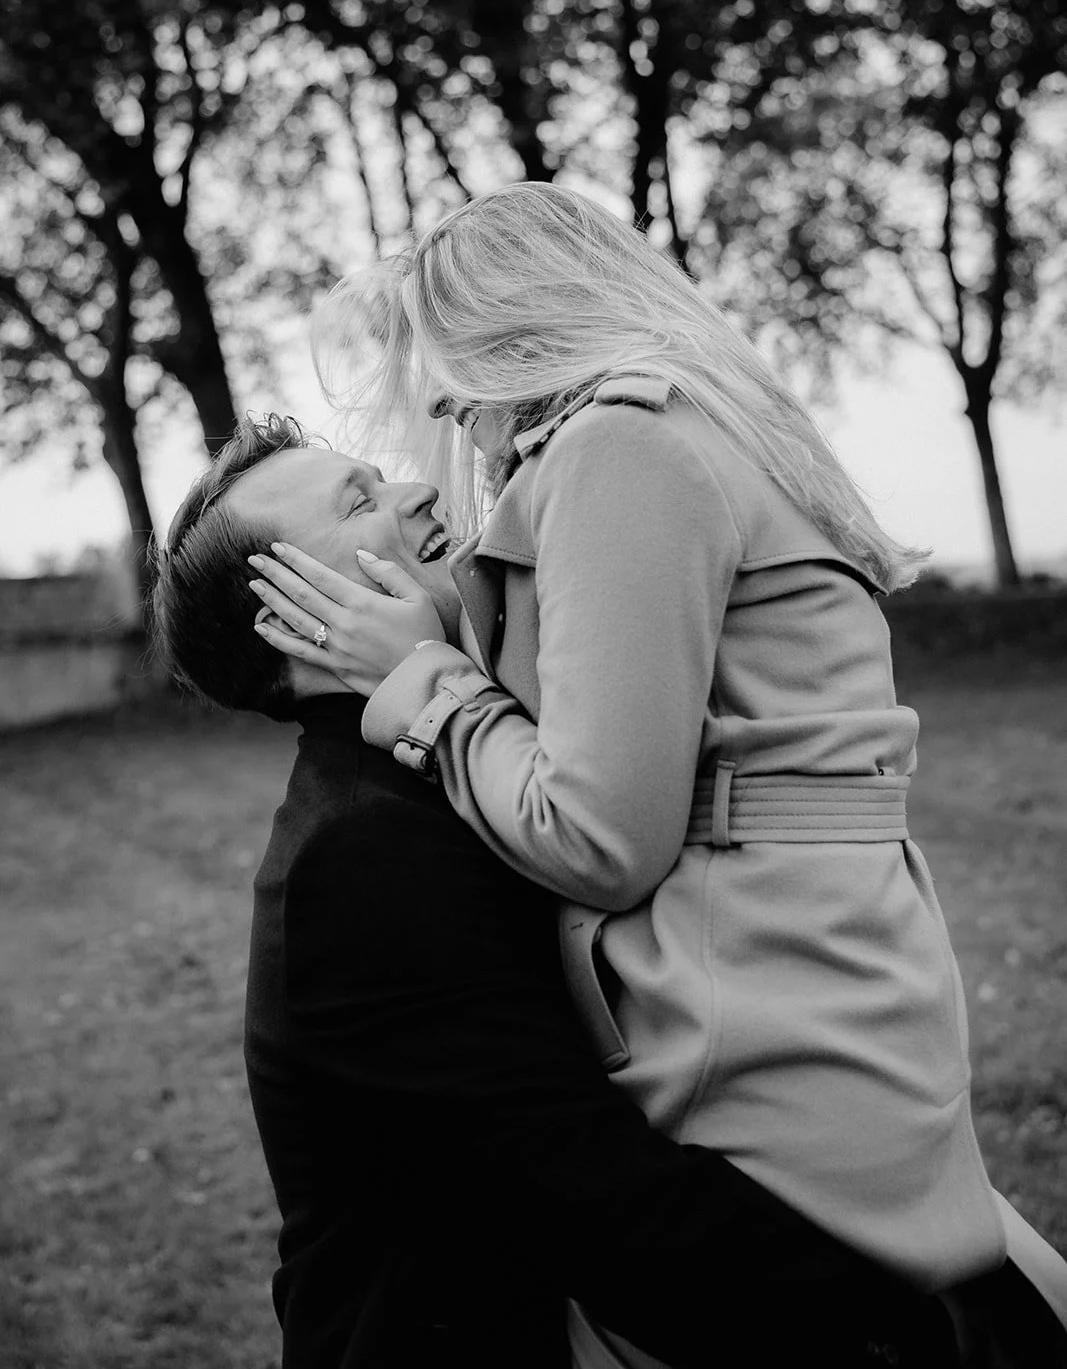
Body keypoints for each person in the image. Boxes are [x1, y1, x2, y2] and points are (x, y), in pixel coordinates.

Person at [247, 183, 1067, 1366]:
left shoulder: (617, 443)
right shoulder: (700, 422)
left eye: (455, 388)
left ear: (514, 336)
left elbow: (598, 836)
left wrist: (422, 680)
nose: (459, 432)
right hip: (815, 954)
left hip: (752, 988)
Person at [149, 413, 969, 1369]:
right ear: (294, 620)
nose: (416, 491)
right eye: (358, 503)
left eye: (382, 474)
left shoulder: (448, 769)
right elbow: (571, 1182)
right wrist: (871, 1318)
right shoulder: (360, 852)